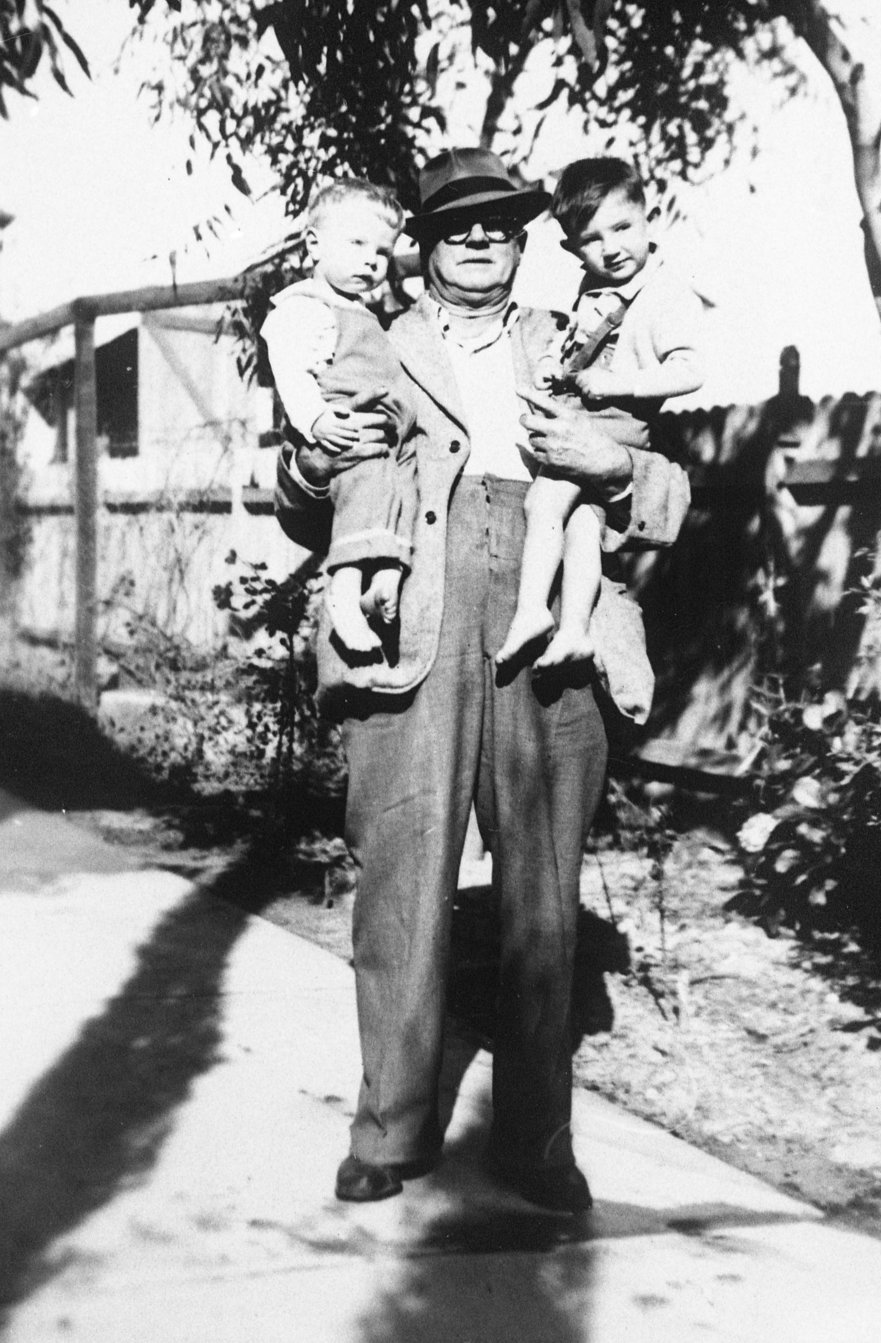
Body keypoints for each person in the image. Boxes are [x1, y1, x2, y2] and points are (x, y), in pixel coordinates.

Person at [279, 147, 691, 1214]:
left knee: (542, 896)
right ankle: (389, 1128)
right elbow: (288, 489)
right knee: (403, 878)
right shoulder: (365, 336)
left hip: (551, 625)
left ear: (524, 240)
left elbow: (673, 489)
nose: (478, 239)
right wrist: (317, 459)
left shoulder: (579, 337)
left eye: (500, 223)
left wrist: (613, 468)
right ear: (420, 242)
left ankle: (535, 1139)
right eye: (456, 223)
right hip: (414, 622)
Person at [495, 155, 706, 673]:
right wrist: (551, 364)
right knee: (584, 521)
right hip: (590, 407)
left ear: (648, 216)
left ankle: (530, 612)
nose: (611, 248)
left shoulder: (664, 292)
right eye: (592, 239)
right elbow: (576, 342)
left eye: (622, 227)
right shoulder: (594, 289)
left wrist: (621, 383)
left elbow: (690, 369)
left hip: (616, 417)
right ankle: (575, 631)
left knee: (544, 500)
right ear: (571, 248)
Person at [261, 178, 418, 656]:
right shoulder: (307, 306)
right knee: (370, 482)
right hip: (344, 425)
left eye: (382, 252)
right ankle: (344, 593)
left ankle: (386, 576)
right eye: (356, 244)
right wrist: (317, 422)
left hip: (389, 433)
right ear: (314, 243)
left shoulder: (366, 312)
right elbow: (289, 370)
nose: (370, 261)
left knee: (407, 484)